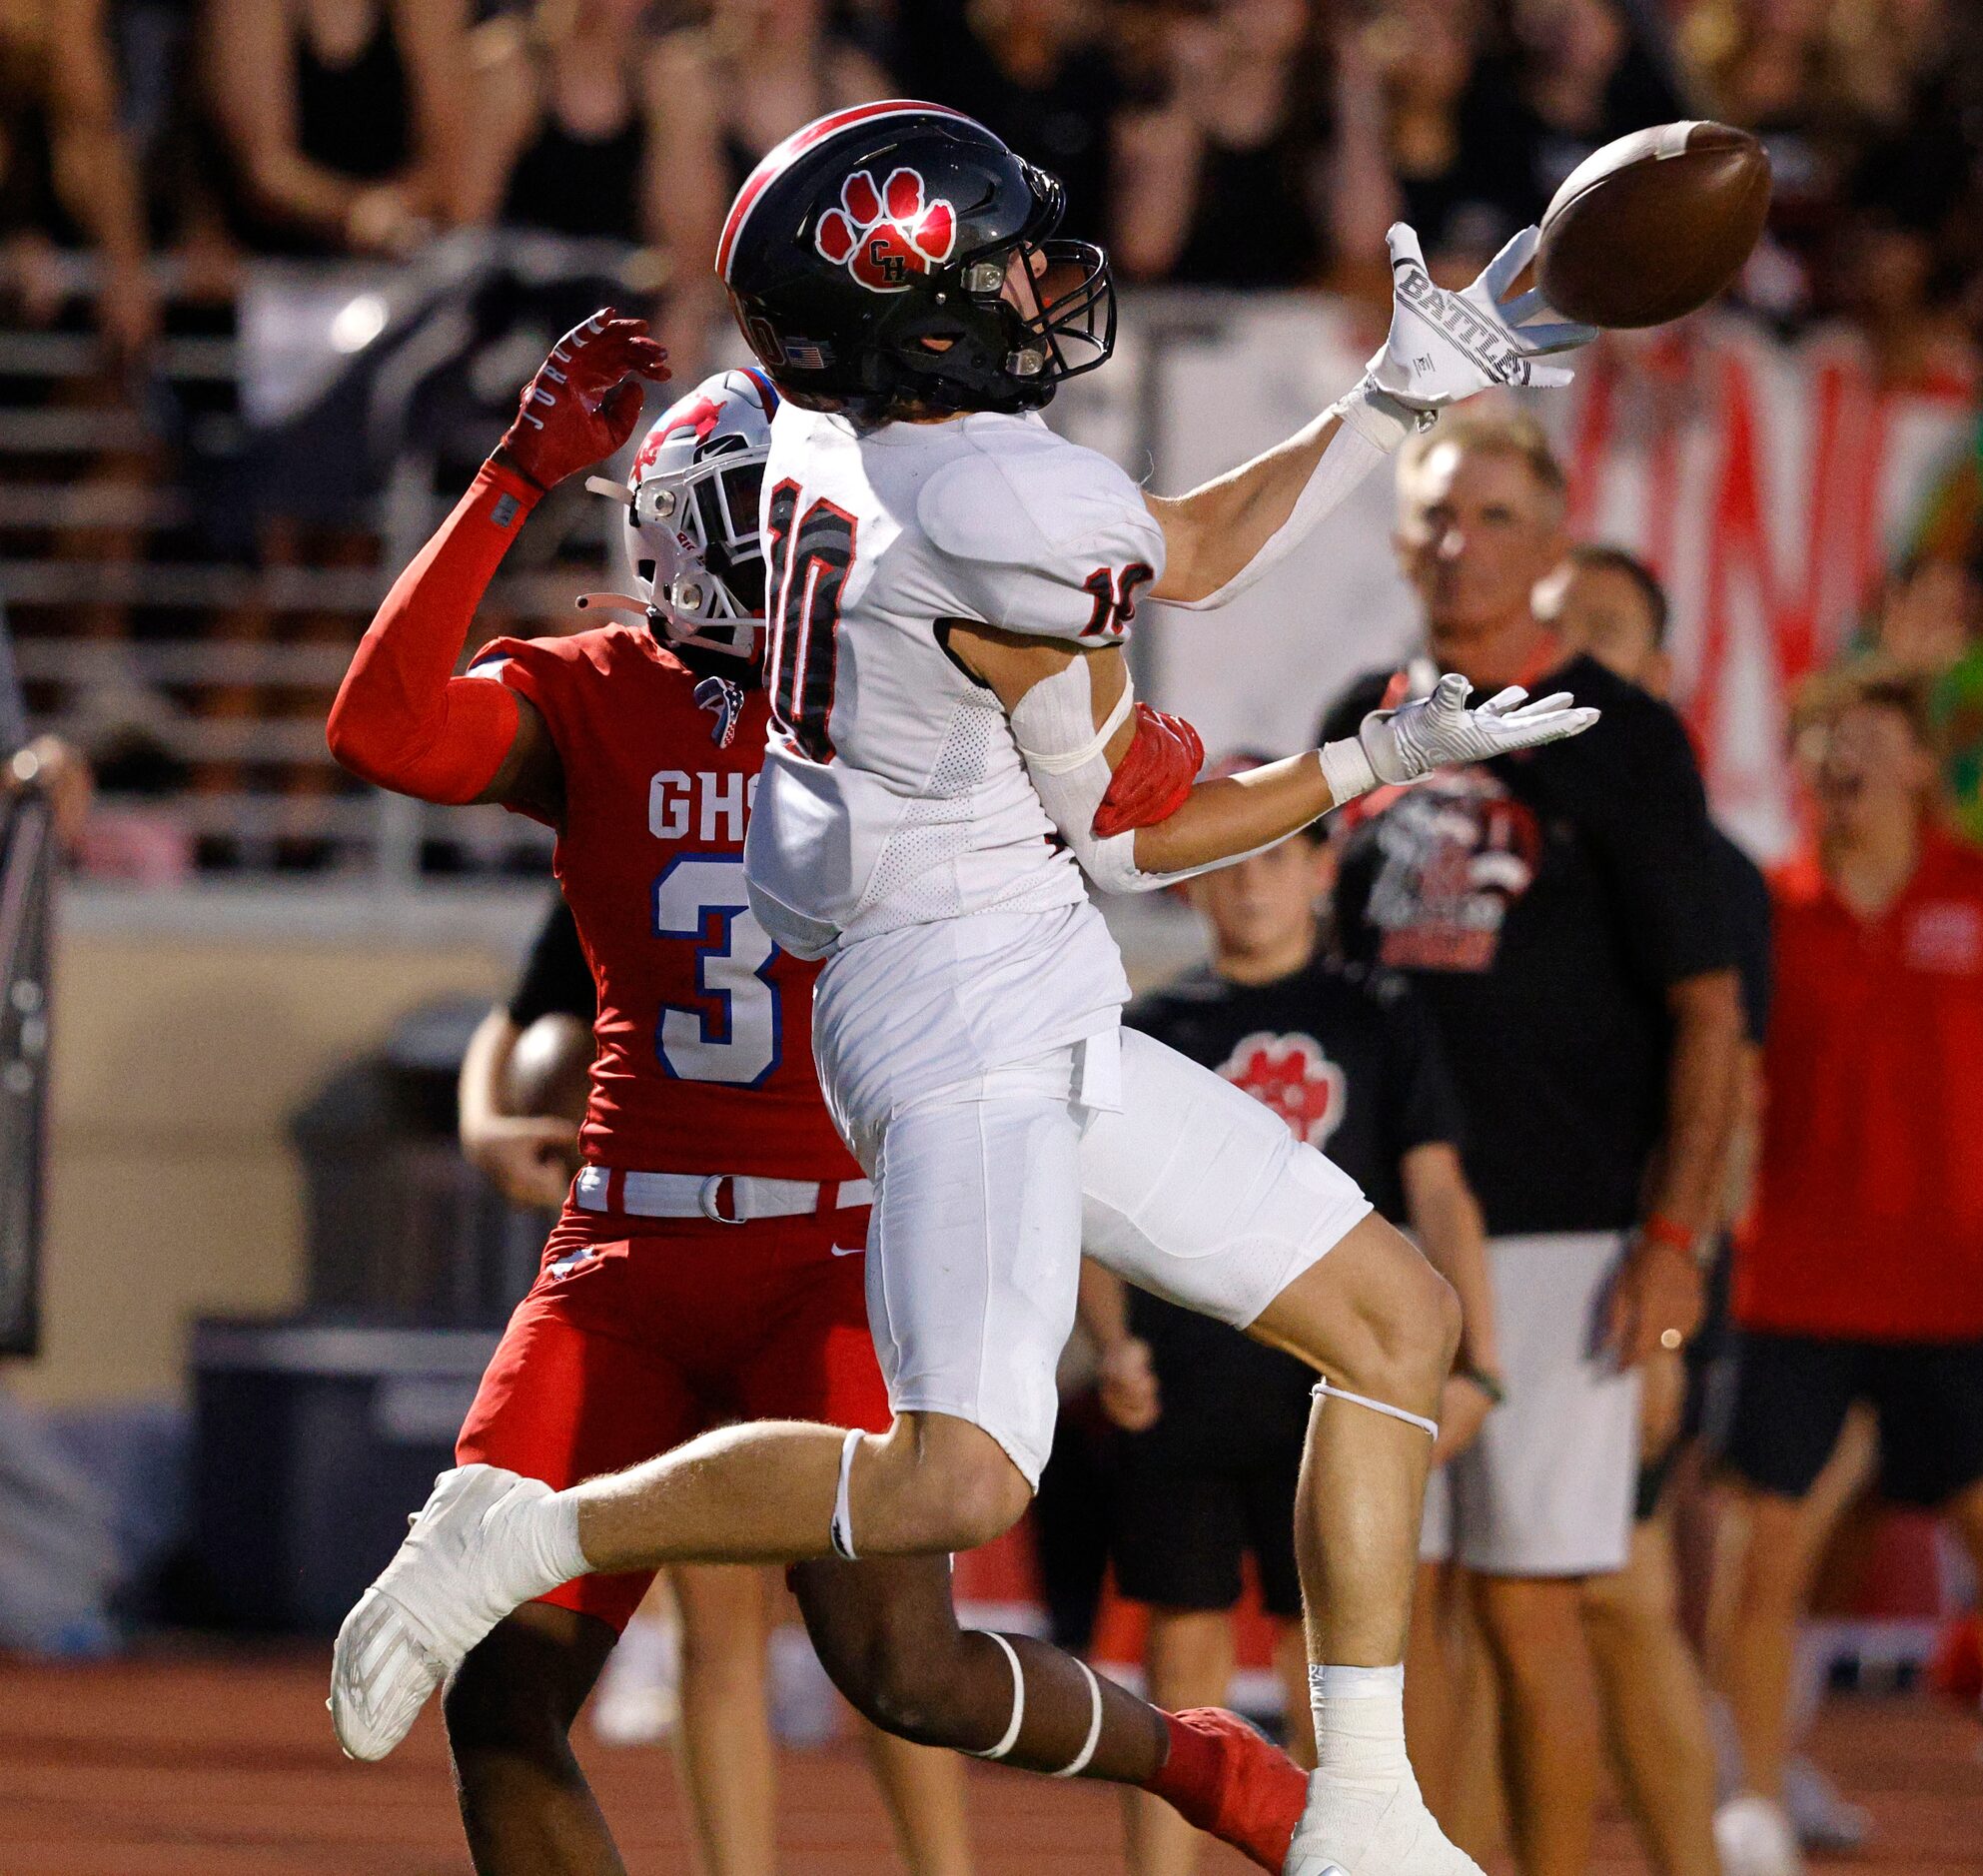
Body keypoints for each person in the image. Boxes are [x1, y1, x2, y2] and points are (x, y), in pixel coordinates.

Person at [331, 104, 1603, 1876]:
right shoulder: (985, 503)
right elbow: (1199, 555)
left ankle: (1362, 1811)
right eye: (993, 259)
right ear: (906, 311)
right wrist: (1399, 396)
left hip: (1006, 997)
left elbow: (1107, 817)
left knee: (1395, 1318)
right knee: (959, 1480)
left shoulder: (837, 471)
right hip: (939, 1042)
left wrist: (1368, 748)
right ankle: (522, 1537)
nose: (1030, 284)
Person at [325, 328, 1321, 1873]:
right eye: (788, 513)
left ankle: (1197, 1761)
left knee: (902, 1669)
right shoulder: (599, 695)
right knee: (503, 1702)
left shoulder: (920, 666)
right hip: (627, 1258)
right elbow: (379, 727)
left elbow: (1120, 772)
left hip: (839, 1241)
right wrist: (514, 475)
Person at [1323, 417, 1745, 1876]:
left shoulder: (1619, 738)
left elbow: (1708, 1014)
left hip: (1564, 1230)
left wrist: (1673, 1243)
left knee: (1527, 1602)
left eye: (1497, 516)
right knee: (1388, 1608)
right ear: (1399, 538)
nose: (1462, 543)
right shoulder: (1356, 718)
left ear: (1552, 547)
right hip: (1372, 1242)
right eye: (1438, 515)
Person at [459, 891, 960, 1876]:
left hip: (818, 1250)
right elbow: (526, 1011)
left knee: (887, 1637)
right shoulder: (662, 808)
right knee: (743, 1628)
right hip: (701, 1245)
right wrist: (485, 1124)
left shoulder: (792, 807)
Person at [1084, 770, 1501, 1876]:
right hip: (1188, 1378)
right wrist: (1111, 1347)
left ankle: (1352, 1856)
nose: (1251, 884)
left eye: (1273, 856)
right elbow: (1088, 1211)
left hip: (1337, 1382)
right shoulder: (1150, 1025)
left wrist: (1475, 1367)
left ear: (1321, 870)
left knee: (1346, 1654)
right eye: (1226, 860)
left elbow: (1440, 1193)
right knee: (1178, 1649)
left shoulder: (1377, 1014)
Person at [1711, 663, 1983, 1876]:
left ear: (1922, 764)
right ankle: (1756, 1802)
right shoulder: (1766, 911)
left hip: (1956, 1293)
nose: (1838, 756)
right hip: (1798, 1292)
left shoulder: (1973, 897)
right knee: (1766, 1554)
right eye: (1817, 735)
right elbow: (1719, 1095)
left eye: (1866, 735)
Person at [204, 0, 471, 256]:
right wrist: (356, 213)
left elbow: (447, 152)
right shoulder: (248, 7)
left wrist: (396, 208)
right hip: (276, 257)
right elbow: (265, 169)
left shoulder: (427, 8)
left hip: (411, 250)